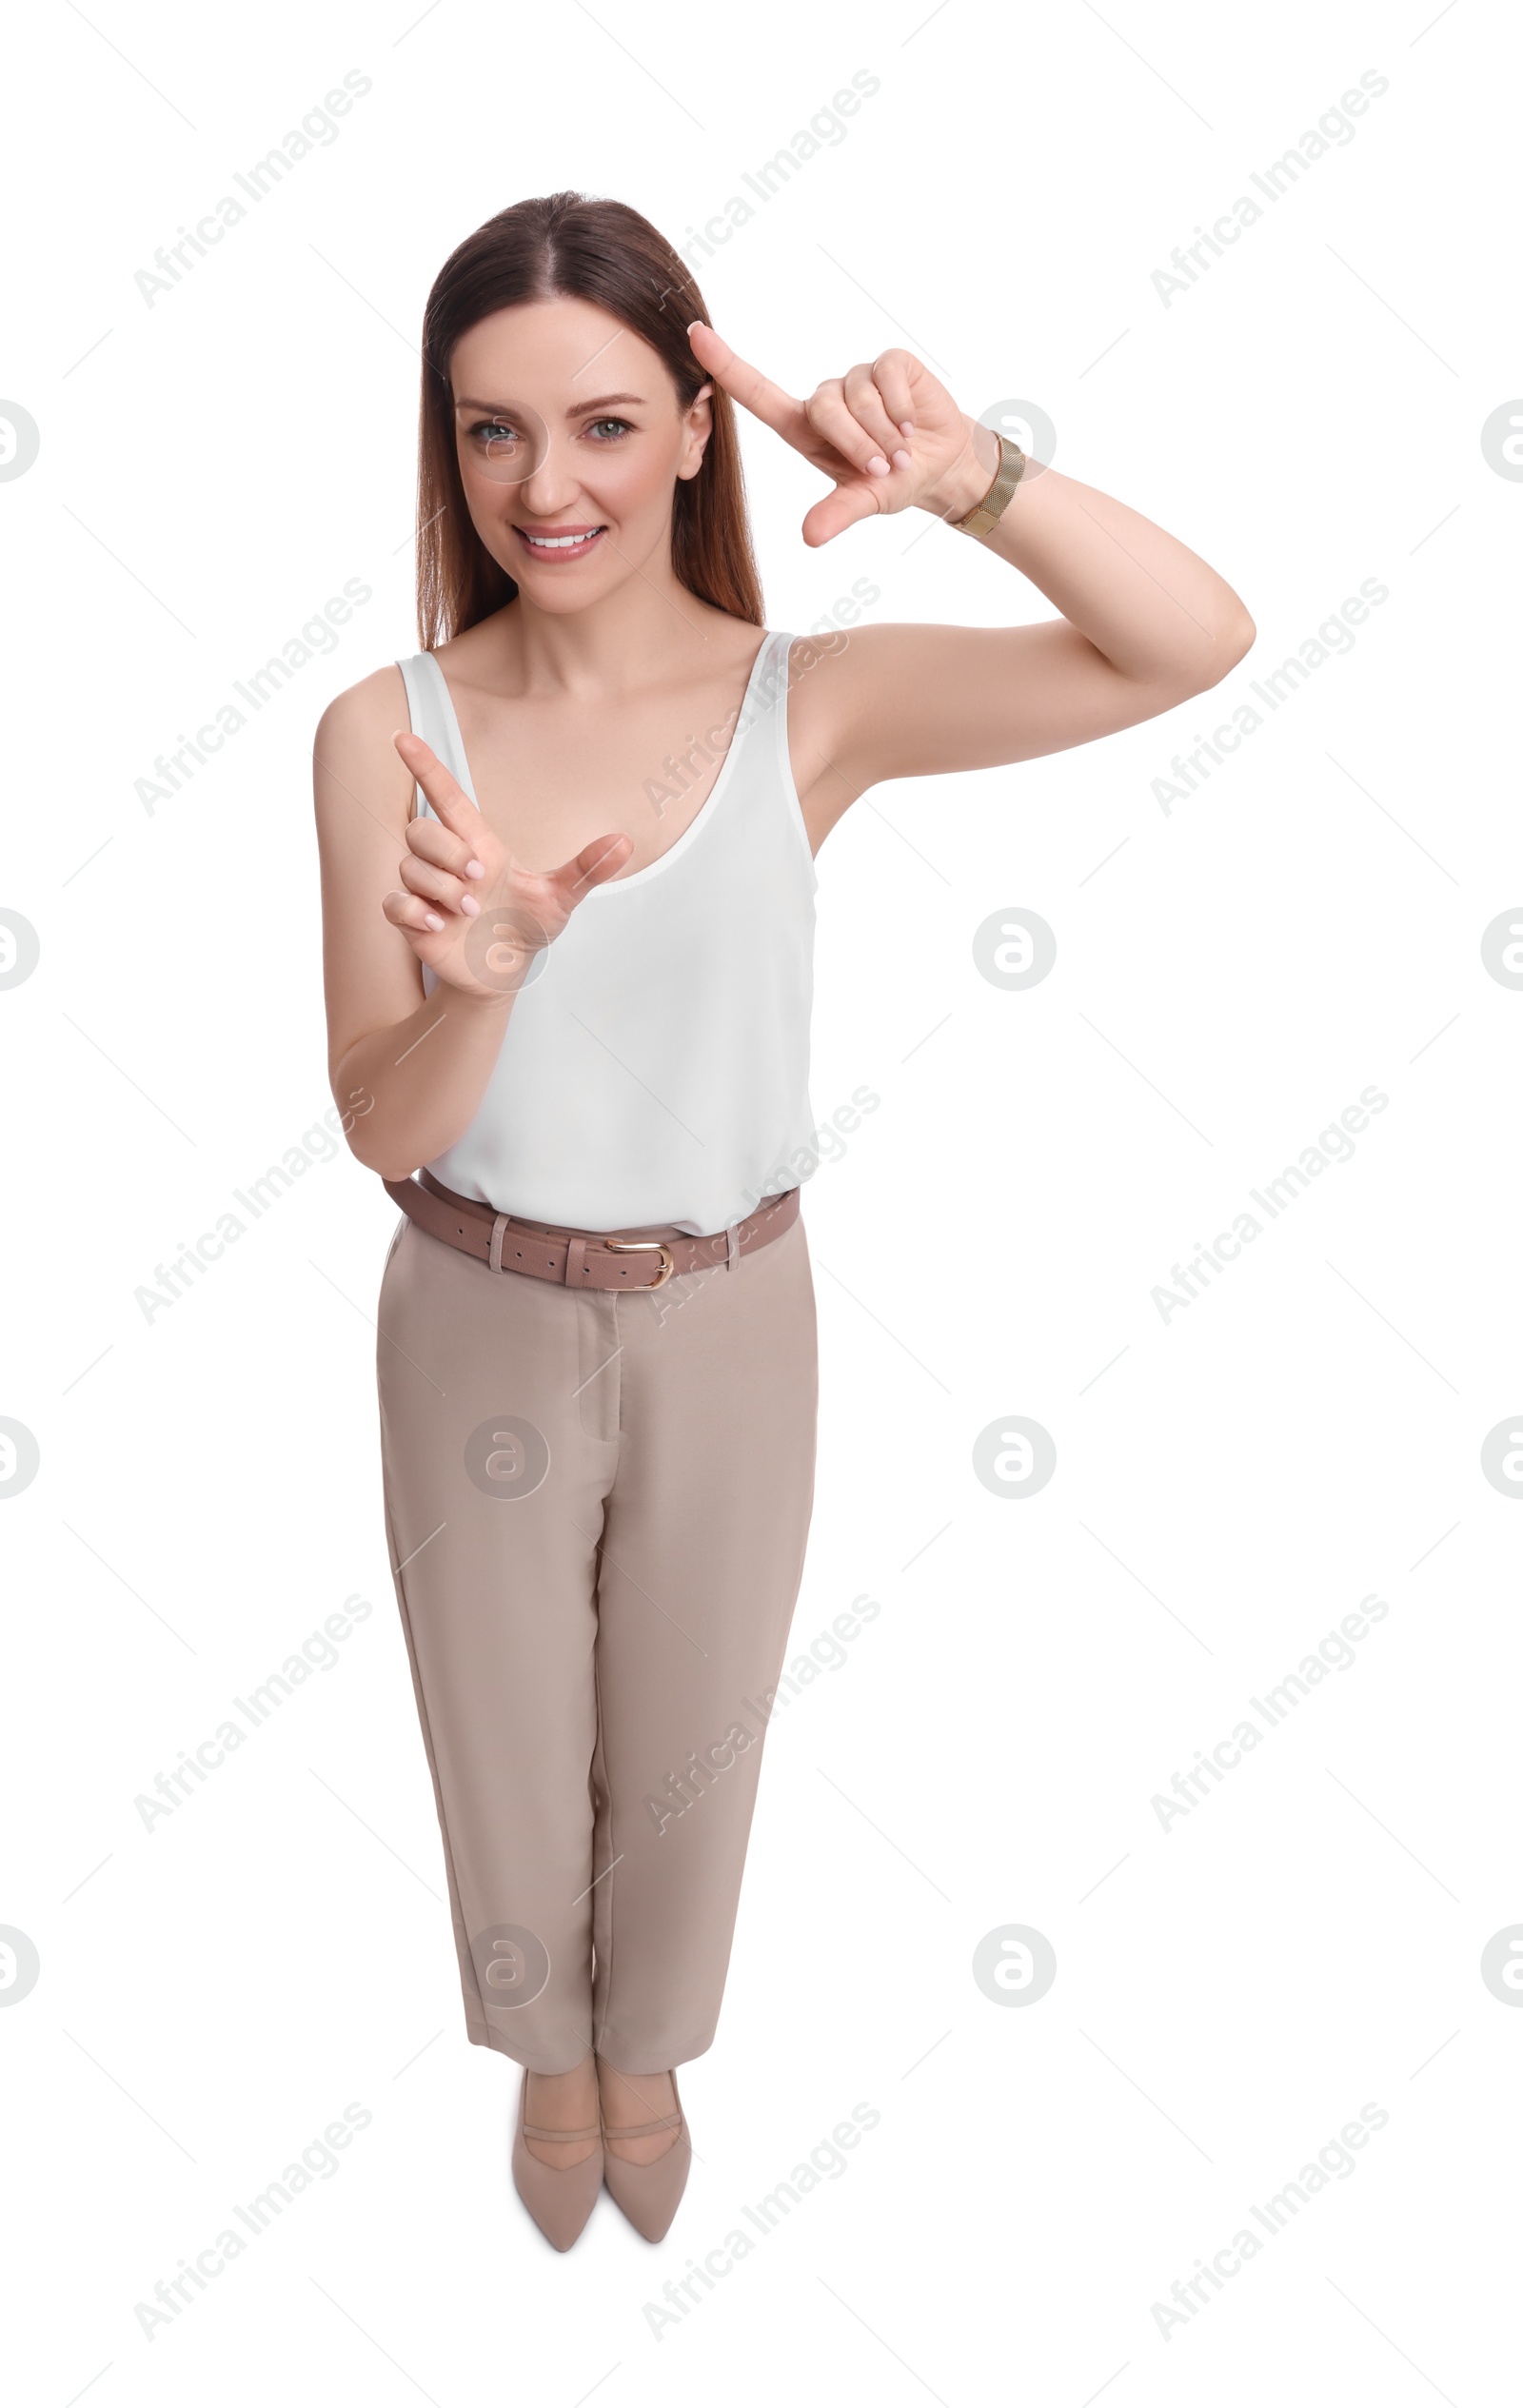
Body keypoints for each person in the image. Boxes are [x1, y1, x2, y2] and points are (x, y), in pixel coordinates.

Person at [313, 189, 1254, 2252]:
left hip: (732, 1300)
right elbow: (372, 1114)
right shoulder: (387, 733)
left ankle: (639, 2045)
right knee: (498, 1716)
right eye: (488, 431)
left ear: (687, 430)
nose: (541, 484)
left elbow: (1188, 642)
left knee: (684, 1720)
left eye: (597, 423)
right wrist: (475, 983)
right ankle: (542, 2054)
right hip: (470, 1292)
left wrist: (969, 480)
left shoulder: (798, 702)